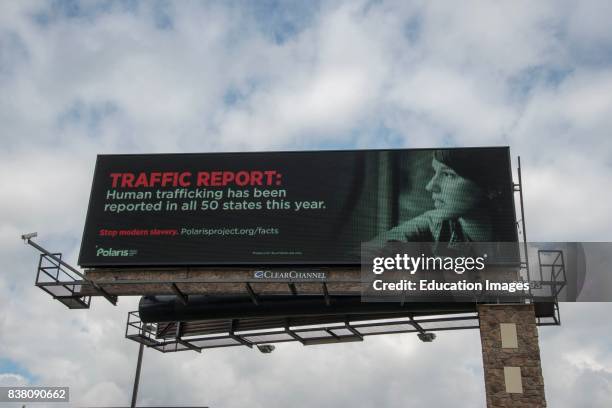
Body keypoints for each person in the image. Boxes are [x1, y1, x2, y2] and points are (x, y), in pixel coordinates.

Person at [370, 148, 514, 248]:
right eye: (435, 172)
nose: (430, 186)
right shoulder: (432, 225)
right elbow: (369, 254)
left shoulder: (515, 231)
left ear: (492, 188)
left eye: (449, 175)